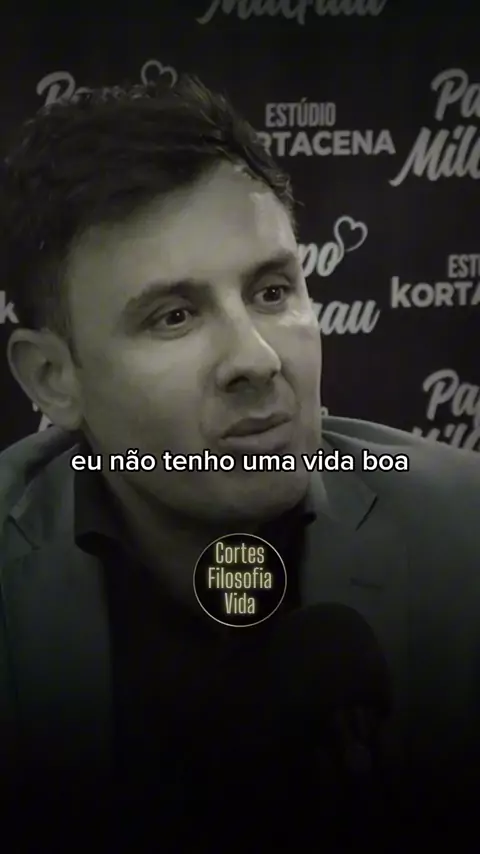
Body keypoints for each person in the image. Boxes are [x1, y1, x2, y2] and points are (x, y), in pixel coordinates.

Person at [0, 75, 478, 846]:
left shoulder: (467, 537)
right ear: (54, 378)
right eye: (174, 316)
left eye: (272, 291)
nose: (256, 360)